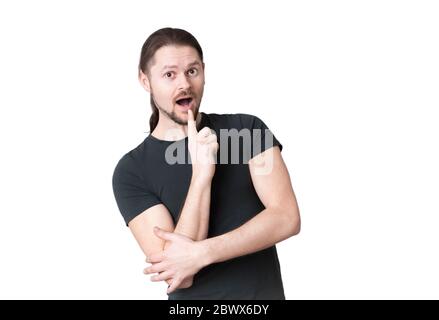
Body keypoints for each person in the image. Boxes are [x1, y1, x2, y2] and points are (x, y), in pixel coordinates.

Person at [112, 27, 301, 300]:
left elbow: (286, 218)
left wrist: (203, 253)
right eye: (169, 74)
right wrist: (201, 175)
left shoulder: (246, 131)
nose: (184, 84)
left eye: (192, 71)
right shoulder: (132, 171)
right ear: (145, 80)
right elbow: (180, 275)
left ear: (204, 71)